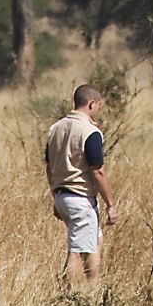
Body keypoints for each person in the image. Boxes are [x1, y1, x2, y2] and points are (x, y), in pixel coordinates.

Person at [45, 84, 118, 288]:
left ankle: (93, 289)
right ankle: (66, 295)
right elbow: (97, 171)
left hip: (61, 196)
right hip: (80, 198)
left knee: (95, 242)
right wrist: (110, 204)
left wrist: (56, 196)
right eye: (98, 106)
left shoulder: (55, 129)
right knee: (76, 251)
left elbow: (49, 168)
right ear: (92, 104)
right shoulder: (90, 131)